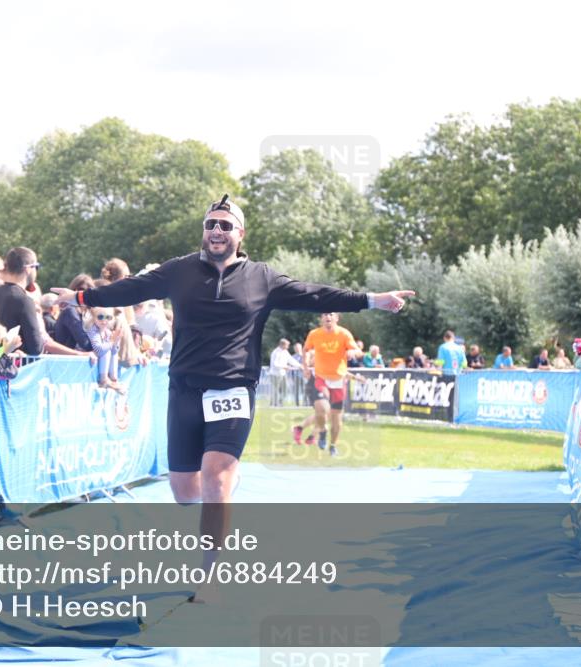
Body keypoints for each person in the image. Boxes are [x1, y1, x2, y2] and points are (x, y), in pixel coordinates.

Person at [51, 194, 413, 600]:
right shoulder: (179, 271)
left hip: (234, 390)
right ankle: (224, 481)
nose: (217, 231)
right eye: (211, 224)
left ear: (240, 233)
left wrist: (372, 301)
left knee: (216, 481)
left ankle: (209, 575)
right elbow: (130, 289)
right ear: (203, 232)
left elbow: (316, 295)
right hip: (184, 389)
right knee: (185, 494)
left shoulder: (262, 278)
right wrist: (81, 298)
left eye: (226, 225)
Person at [0, 248, 94, 359]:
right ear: (28, 269)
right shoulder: (25, 301)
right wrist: (38, 319)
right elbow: (36, 347)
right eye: (36, 267)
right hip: (18, 369)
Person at [291, 313, 360, 454]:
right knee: (322, 409)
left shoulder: (344, 334)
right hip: (321, 378)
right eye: (325, 315)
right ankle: (322, 431)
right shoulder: (315, 334)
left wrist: (353, 352)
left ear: (336, 318)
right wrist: (305, 367)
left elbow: (358, 351)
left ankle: (333, 445)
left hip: (339, 380)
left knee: (336, 419)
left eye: (331, 315)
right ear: (321, 319)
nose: (328, 318)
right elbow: (306, 350)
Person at [269, 338, 301, 407]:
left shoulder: (285, 352)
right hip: (275, 374)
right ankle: (273, 404)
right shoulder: (276, 352)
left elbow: (291, 360)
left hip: (282, 374)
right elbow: (275, 364)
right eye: (287, 345)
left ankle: (279, 402)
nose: (288, 347)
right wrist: (284, 367)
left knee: (285, 390)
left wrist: (300, 366)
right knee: (275, 390)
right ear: (282, 345)